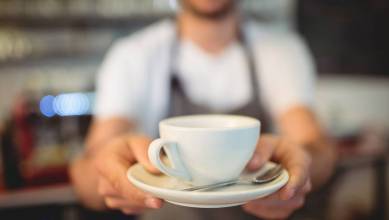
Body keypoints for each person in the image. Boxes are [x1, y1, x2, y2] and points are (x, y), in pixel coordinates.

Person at [70, 0, 337, 219]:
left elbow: (316, 145)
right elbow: (86, 173)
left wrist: (298, 169)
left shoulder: (282, 51)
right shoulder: (133, 56)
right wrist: (105, 174)